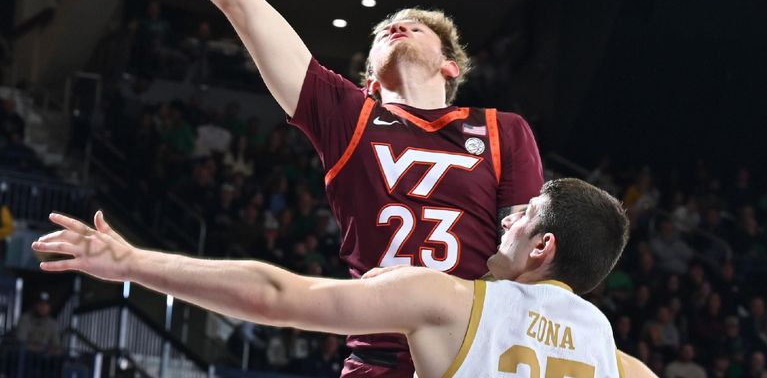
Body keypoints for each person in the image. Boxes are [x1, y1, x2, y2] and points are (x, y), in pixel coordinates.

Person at [140, 0, 544, 377]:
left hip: (474, 356)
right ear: (366, 79)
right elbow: (242, 5)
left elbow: (526, 262)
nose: (395, 25)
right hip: (378, 361)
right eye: (386, 28)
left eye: (416, 26)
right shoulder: (348, 117)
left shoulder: (503, 131)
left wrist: (440, 295)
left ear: (451, 66)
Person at [33, 178, 656, 377]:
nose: (507, 219)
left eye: (522, 217)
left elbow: (277, 295)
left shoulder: (449, 300)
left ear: (543, 247)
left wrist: (130, 262)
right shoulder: (623, 365)